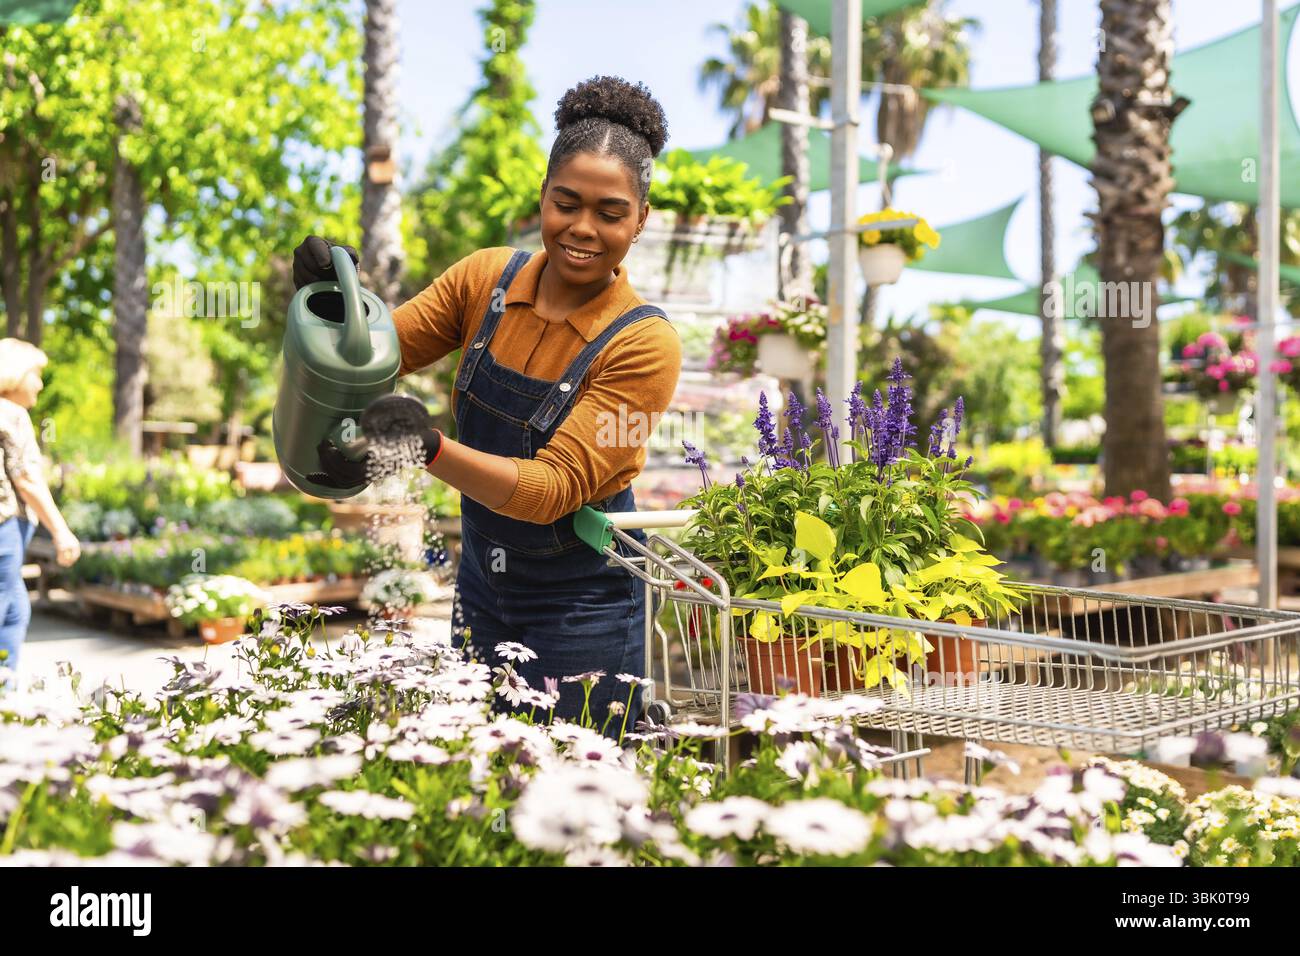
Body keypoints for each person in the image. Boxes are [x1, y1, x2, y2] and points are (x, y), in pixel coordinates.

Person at [293, 76, 681, 731]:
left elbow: (552, 489)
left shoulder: (644, 343)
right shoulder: (486, 282)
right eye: (566, 203)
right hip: (483, 583)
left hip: (582, 606)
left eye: (610, 213)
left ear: (640, 219)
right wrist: (332, 302)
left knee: (572, 800)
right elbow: (379, 352)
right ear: (542, 197)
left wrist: (428, 448)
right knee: (480, 784)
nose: (583, 228)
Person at [0, 338, 81, 687]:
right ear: (15, 375)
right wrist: (61, 531)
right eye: (36, 374)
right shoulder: (11, 413)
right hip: (4, 529)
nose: (40, 384)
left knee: (16, 608)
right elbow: (26, 479)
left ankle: (6, 686)